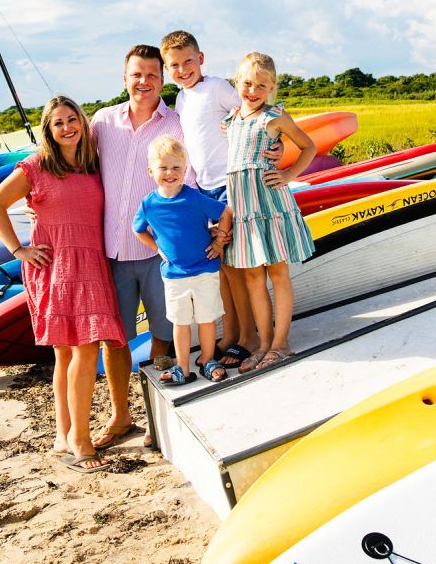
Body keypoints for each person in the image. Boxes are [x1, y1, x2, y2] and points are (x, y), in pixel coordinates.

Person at [0, 95, 126, 473]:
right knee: (79, 350)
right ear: (49, 130)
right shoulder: (36, 166)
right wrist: (18, 249)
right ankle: (79, 441)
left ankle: (63, 435)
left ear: (82, 121)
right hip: (55, 267)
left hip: (91, 264)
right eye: (58, 123)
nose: (67, 127)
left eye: (72, 119)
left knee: (69, 353)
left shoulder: (92, 164)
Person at [160, 30, 280, 370]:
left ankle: (249, 337)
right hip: (204, 190)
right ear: (168, 69)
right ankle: (232, 332)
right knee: (221, 268)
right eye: (174, 65)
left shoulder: (216, 88)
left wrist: (277, 143)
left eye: (188, 61)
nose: (182, 69)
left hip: (231, 185)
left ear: (200, 59)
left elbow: (255, 110)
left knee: (236, 265)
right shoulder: (182, 99)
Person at [90, 44, 189, 449]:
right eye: (137, 74)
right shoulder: (102, 122)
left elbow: (192, 179)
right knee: (115, 338)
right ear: (125, 78)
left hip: (158, 251)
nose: (144, 81)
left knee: (163, 334)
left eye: (151, 74)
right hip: (111, 251)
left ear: (162, 79)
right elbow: (74, 165)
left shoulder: (177, 123)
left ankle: (155, 415)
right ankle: (120, 416)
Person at [222, 52, 316, 373]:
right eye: (247, 83)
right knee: (252, 276)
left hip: (269, 205)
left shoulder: (274, 116)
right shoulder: (232, 119)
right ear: (237, 82)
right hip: (243, 210)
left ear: (272, 88)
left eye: (262, 86)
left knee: (277, 273)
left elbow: (308, 146)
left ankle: (281, 343)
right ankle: (263, 345)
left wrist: (288, 175)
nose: (253, 90)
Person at [133, 135, 233, 384]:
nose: (170, 173)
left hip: (205, 270)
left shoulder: (194, 198)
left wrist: (219, 242)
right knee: (180, 322)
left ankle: (208, 360)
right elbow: (138, 230)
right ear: (151, 171)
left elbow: (225, 212)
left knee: (206, 319)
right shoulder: (149, 204)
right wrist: (157, 247)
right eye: (163, 167)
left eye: (176, 167)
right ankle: (183, 368)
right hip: (174, 275)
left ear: (185, 169)